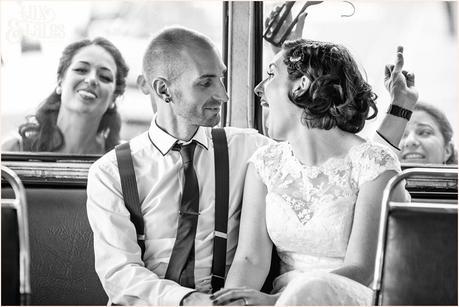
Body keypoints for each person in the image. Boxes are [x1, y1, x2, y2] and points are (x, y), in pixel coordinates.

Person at [86, 25, 417, 305]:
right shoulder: (110, 173)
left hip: (333, 297)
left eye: (222, 79)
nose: (227, 95)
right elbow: (122, 274)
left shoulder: (246, 147)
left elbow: (355, 159)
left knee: (313, 290)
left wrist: (399, 109)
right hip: (165, 303)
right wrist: (226, 301)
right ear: (162, 90)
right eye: (206, 82)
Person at [210, 38, 416, 305]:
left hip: (352, 296)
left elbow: (363, 269)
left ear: (302, 84)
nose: (259, 89)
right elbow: (251, 259)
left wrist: (275, 302)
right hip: (280, 301)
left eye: (271, 75)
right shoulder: (264, 165)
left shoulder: (374, 165)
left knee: (315, 287)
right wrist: (232, 300)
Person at [1, 37, 129, 154]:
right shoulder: (14, 150)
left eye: (105, 77)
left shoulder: (123, 161)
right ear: (60, 81)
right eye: (81, 70)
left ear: (114, 97)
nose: (91, 79)